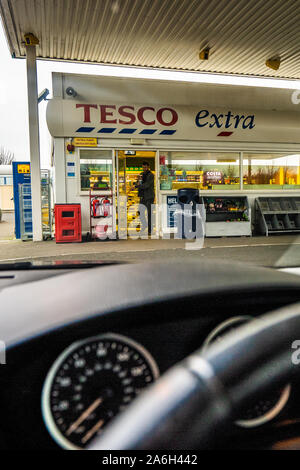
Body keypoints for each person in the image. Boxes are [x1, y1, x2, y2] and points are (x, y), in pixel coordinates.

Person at [135, 161, 155, 235]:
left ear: (148, 167)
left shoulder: (151, 175)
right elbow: (139, 183)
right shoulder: (141, 174)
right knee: (140, 212)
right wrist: (137, 182)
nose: (144, 168)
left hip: (149, 196)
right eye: (143, 167)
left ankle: (150, 230)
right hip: (142, 196)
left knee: (149, 214)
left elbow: (147, 185)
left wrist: (137, 186)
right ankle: (145, 225)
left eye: (146, 167)